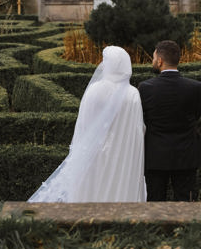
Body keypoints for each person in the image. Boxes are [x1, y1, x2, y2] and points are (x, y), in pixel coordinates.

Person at [28, 45, 146, 202]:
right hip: (122, 151)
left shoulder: (95, 90)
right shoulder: (133, 94)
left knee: (92, 188)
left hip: (94, 150)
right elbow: (137, 130)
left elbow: (84, 123)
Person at [138, 40, 201, 201]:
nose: (153, 61)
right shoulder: (194, 87)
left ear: (160, 61)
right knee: (186, 202)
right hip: (186, 153)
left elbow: (143, 119)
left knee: (155, 202)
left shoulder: (146, 87)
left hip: (155, 154)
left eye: (154, 58)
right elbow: (196, 115)